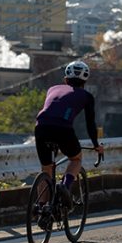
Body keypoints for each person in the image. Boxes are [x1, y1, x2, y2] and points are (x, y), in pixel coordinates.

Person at [34, 60, 104, 208]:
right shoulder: (86, 96)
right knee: (76, 158)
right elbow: (90, 124)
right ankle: (65, 186)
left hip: (41, 126)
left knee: (46, 168)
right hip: (62, 128)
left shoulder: (52, 89)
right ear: (85, 80)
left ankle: (41, 208)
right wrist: (96, 145)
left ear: (65, 79)